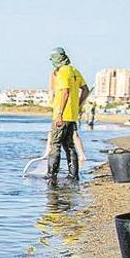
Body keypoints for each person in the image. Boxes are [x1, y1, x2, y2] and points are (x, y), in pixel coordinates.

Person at [46, 47, 90, 182]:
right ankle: (73, 175)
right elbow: (86, 90)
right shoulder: (74, 70)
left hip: (62, 115)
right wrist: (77, 105)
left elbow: (65, 92)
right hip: (71, 116)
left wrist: (59, 113)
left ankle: (52, 175)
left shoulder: (63, 72)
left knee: (55, 144)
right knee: (69, 145)